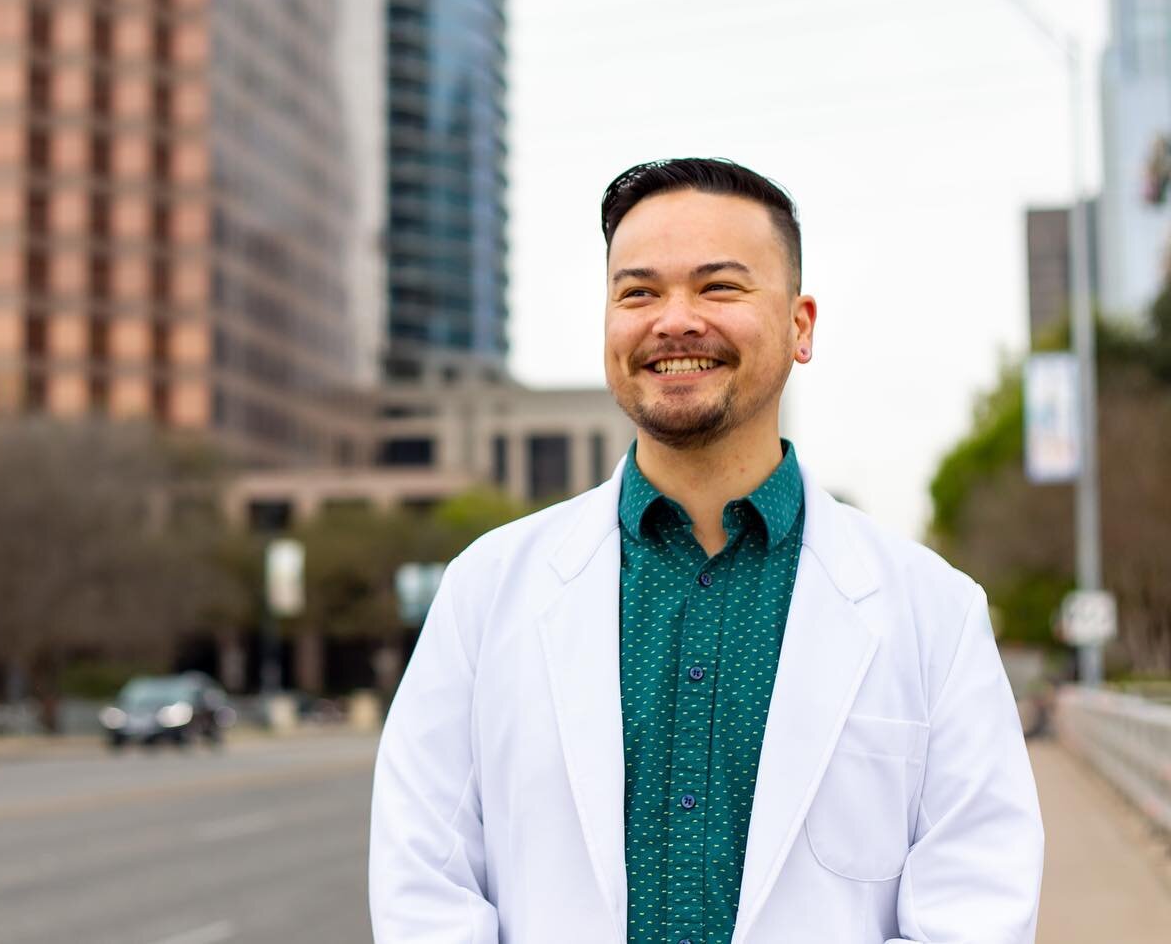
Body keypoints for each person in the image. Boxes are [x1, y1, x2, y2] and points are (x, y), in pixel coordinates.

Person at [368, 158, 1043, 943]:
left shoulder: (936, 611)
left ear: (800, 326)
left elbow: (977, 907)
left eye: (719, 287)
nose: (674, 320)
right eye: (638, 292)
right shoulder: (485, 590)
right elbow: (424, 883)